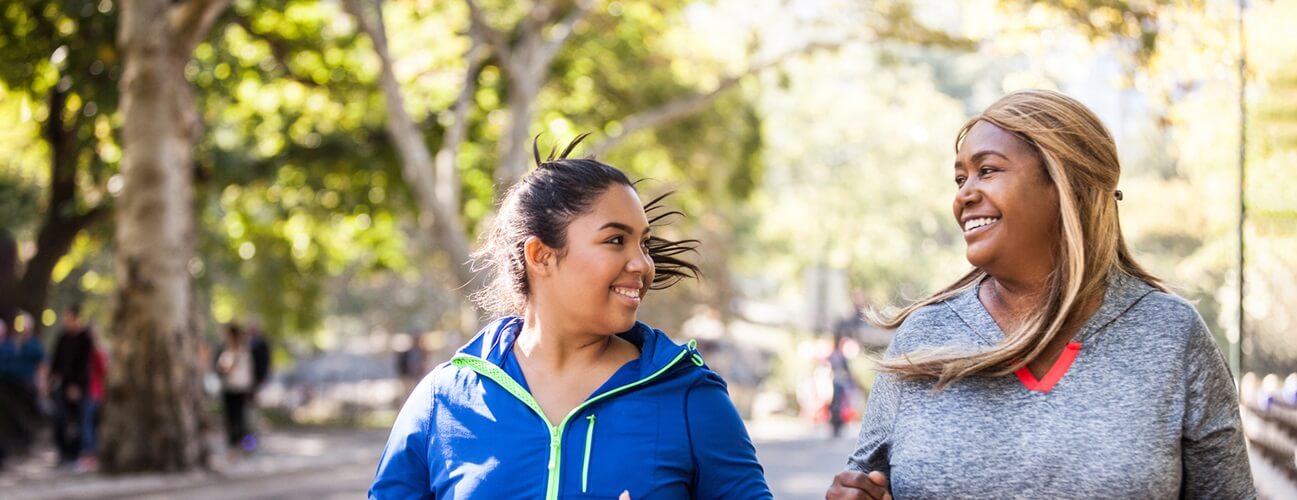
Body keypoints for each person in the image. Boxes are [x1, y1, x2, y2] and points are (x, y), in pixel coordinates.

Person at [827, 89, 1254, 499]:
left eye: (987, 170)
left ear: (1066, 183)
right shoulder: (925, 334)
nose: (964, 195)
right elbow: (865, 480)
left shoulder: (1170, 334)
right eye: (960, 178)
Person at [370, 135, 772, 499]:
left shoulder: (689, 396)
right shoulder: (444, 399)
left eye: (643, 243)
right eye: (616, 240)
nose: (642, 263)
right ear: (541, 255)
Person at [47, 304, 95, 466]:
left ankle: (77, 453)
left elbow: (85, 364)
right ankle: (63, 452)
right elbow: (56, 361)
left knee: (79, 421)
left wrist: (76, 385)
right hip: (62, 385)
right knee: (60, 418)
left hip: (79, 386)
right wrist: (51, 379)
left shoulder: (85, 338)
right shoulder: (63, 337)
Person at [0, 313, 47, 469]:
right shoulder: (10, 344)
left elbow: (42, 366)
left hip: (25, 388)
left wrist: (41, 386)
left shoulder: (34, 346)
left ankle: (25, 447)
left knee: (25, 419)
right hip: (7, 390)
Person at [216, 323, 254, 452]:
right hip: (230, 387)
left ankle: (243, 443)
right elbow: (221, 368)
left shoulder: (243, 351)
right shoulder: (227, 350)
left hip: (240, 387)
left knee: (239, 417)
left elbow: (246, 371)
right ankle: (234, 442)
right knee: (231, 416)